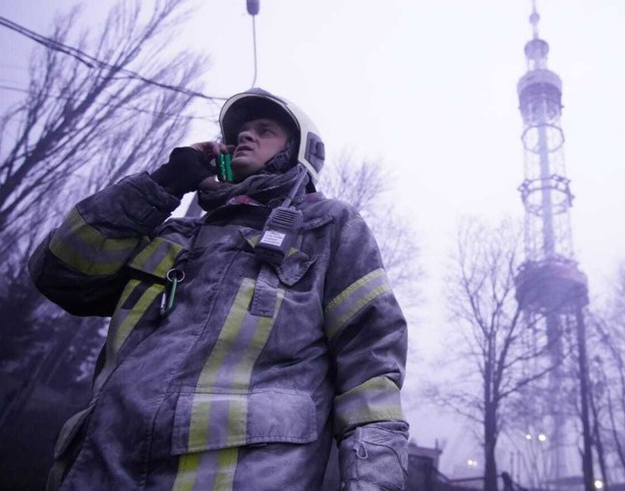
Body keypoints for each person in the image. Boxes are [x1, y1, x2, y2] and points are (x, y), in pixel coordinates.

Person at [28, 88, 409, 490]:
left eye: (265, 130)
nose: (246, 136)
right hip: (96, 475)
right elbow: (61, 273)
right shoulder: (176, 236)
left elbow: (371, 370)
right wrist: (161, 185)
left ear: (297, 152)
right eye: (240, 132)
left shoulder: (328, 227)